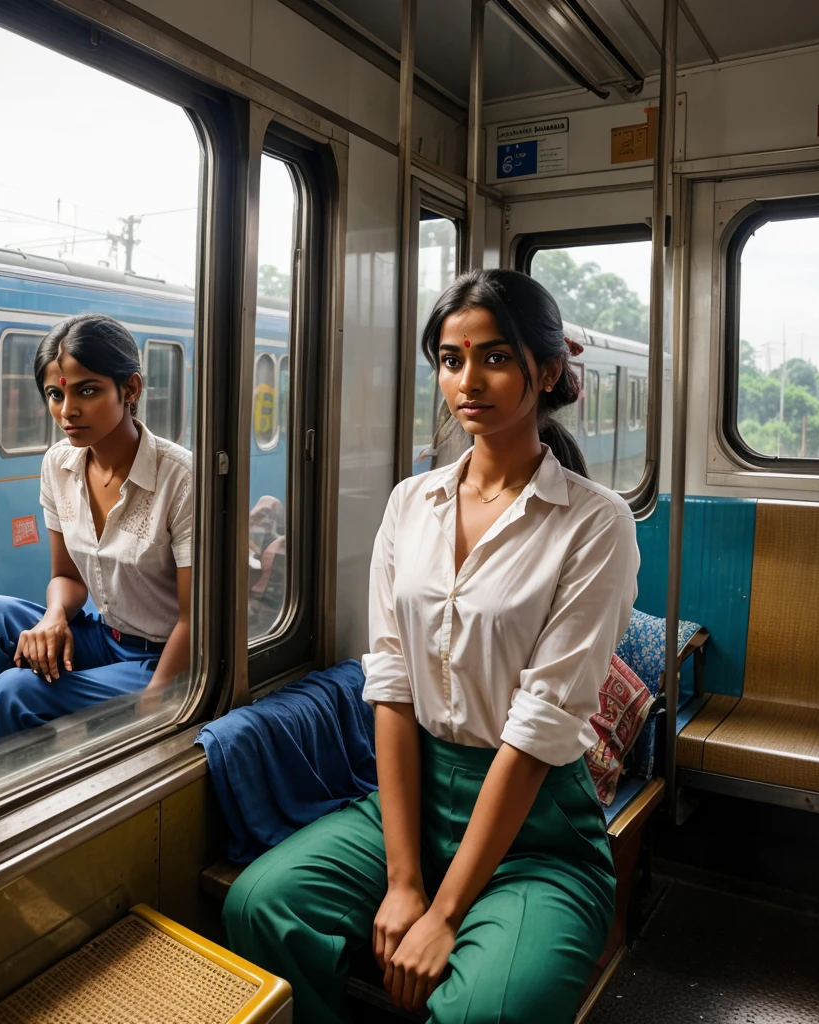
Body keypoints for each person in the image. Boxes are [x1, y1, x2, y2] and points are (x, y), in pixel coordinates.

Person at [223, 269, 639, 1024]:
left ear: (546, 372)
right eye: (450, 359)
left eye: (495, 358)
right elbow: (390, 685)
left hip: (536, 828)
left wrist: (442, 914)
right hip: (410, 799)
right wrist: (404, 878)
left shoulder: (595, 523)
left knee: (486, 1012)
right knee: (262, 905)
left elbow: (539, 728)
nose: (468, 380)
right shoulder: (410, 504)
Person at [0, 314, 192, 759]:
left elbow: (193, 618)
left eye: (87, 390)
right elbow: (67, 577)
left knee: (14, 691)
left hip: (161, 659)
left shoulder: (180, 477)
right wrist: (53, 617)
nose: (67, 410)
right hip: (103, 635)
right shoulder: (58, 465)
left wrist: (156, 701)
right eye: (55, 393)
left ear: (130, 390)